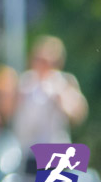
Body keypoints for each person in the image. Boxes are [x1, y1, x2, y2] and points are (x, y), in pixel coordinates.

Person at [11, 36, 87, 172]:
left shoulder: (64, 81)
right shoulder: (26, 82)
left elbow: (78, 114)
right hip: (30, 149)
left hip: (55, 149)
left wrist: (61, 97)